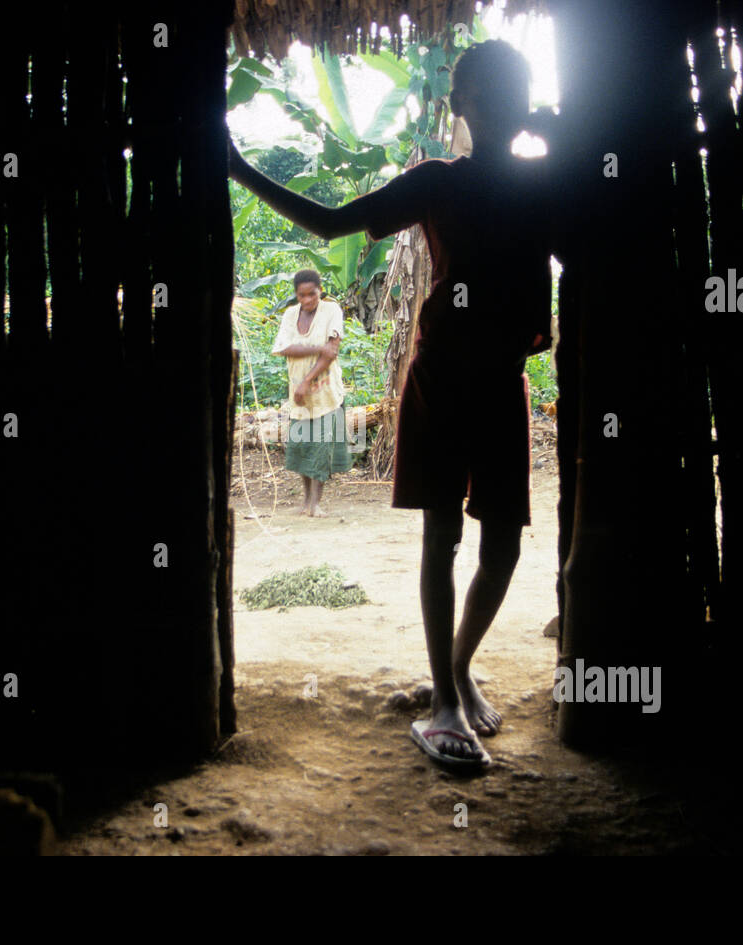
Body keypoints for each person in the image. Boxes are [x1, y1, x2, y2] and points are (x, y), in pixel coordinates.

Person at [229, 39, 557, 770]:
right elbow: (331, 224)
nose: (501, 103)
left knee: (502, 542)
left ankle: (460, 666)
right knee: (442, 537)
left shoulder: (545, 182)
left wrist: (558, 133)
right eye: (487, 91)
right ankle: (443, 699)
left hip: (503, 376)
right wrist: (242, 169)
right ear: (460, 105)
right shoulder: (437, 182)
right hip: (442, 376)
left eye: (516, 90)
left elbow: (595, 231)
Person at [270, 270, 352, 516]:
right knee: (302, 446)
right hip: (299, 394)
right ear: (296, 294)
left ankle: (316, 503)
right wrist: (318, 348)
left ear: (320, 290)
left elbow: (332, 353)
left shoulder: (331, 311)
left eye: (312, 294)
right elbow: (285, 348)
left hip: (326, 392)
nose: (307, 300)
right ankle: (305, 501)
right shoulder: (289, 315)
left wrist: (307, 380)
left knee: (321, 447)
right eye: (302, 295)